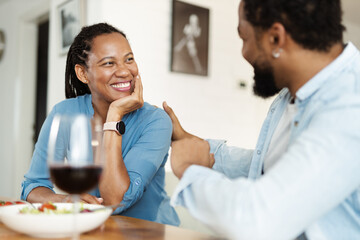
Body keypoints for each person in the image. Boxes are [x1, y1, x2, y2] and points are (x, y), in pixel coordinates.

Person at [163, 0, 360, 239]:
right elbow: (269, 168)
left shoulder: (351, 105)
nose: (244, 53)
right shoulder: (291, 95)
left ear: (276, 38)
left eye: (244, 38)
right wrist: (200, 147)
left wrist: (189, 170)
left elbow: (257, 219)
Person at [21, 23, 179, 226]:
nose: (124, 71)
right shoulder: (64, 114)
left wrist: (114, 116)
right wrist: (64, 201)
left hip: (152, 233)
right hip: (95, 231)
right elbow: (33, 186)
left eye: (128, 59)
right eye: (108, 63)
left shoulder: (156, 121)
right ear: (83, 74)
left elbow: (116, 200)